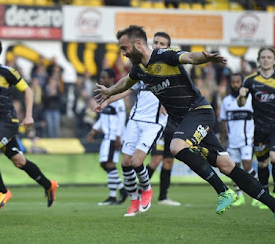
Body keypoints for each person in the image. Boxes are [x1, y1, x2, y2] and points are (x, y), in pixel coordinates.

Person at [95, 25, 275, 219]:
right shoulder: (139, 69)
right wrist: (109, 91)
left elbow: (189, 57)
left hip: (199, 112)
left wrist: (204, 58)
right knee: (226, 166)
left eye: (124, 48)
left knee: (176, 146)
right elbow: (126, 82)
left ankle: (223, 191)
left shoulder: (164, 55)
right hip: (186, 122)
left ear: (138, 44)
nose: (123, 54)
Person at [0, 37, 58, 211]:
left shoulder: (7, 72)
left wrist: (28, 115)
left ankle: (2, 191)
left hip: (8, 122)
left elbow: (27, 90)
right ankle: (49, 184)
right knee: (19, 161)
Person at [96, 78, 168, 216]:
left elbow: (178, 92)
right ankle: (134, 202)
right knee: (125, 162)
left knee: (136, 161)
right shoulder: (141, 72)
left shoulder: (167, 72)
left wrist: (168, 103)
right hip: (135, 120)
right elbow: (126, 90)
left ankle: (146, 189)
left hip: (154, 123)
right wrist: (107, 101)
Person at [238, 47, 275, 210]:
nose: (266, 60)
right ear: (259, 60)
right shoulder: (250, 80)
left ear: (274, 60)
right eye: (263, 57)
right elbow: (241, 104)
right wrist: (241, 95)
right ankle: (265, 195)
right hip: (259, 128)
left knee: (274, 157)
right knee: (262, 164)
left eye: (269, 57)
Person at [147, 32, 180, 206]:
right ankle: (139, 191)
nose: (158, 46)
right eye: (156, 42)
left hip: (172, 121)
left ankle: (163, 196)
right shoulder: (146, 65)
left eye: (162, 44)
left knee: (168, 160)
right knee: (156, 159)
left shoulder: (173, 66)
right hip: (155, 120)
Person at [87, 68, 127, 206]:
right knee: (106, 164)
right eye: (101, 77)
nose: (102, 80)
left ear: (111, 79)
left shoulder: (116, 96)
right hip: (107, 136)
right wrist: (93, 130)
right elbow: (104, 117)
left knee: (108, 164)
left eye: (104, 78)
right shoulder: (104, 97)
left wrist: (118, 137)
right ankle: (118, 192)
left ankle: (117, 193)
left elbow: (121, 118)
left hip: (112, 137)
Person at [220, 73, 256, 206]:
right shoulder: (226, 101)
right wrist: (223, 140)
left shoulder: (250, 99)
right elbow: (223, 122)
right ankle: (239, 196)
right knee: (234, 169)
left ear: (242, 84)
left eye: (237, 82)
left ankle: (258, 192)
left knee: (247, 166)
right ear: (230, 84)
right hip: (232, 141)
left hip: (246, 140)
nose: (235, 85)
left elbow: (255, 117)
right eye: (233, 82)